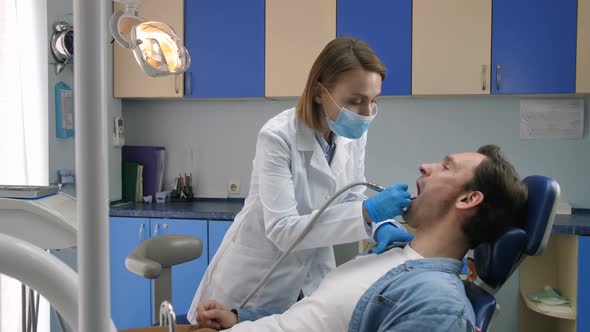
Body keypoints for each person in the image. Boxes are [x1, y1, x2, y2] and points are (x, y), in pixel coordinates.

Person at [187, 37, 416, 323]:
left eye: (373, 101)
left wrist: (381, 224)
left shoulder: (352, 133)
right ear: (320, 92)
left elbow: (348, 195)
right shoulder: (278, 136)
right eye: (355, 101)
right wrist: (369, 212)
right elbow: (282, 229)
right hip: (258, 278)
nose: (367, 114)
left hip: (311, 276)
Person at [192, 145, 528, 331]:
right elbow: (315, 320)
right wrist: (239, 319)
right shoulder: (391, 254)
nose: (425, 166)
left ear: (469, 200)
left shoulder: (437, 304)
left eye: (446, 166)